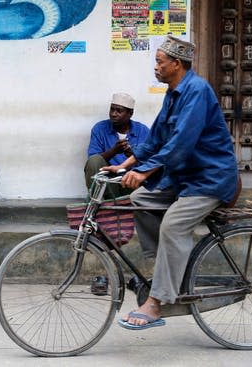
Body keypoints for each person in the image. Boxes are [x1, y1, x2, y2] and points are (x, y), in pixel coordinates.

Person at [102, 35, 239, 331]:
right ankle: (165, 266)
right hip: (185, 177)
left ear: (176, 64)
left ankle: (157, 301)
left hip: (209, 178)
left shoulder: (197, 91)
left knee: (173, 226)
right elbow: (156, 138)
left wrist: (145, 172)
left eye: (159, 62)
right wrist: (125, 165)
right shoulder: (173, 92)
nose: (155, 67)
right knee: (140, 200)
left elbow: (181, 143)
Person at [83, 92, 149, 192]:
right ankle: (101, 203)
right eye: (112, 109)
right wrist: (113, 151)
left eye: (119, 111)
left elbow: (152, 161)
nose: (114, 114)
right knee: (94, 161)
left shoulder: (143, 131)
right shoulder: (100, 129)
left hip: (133, 182)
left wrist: (133, 155)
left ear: (130, 113)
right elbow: (93, 160)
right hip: (108, 183)